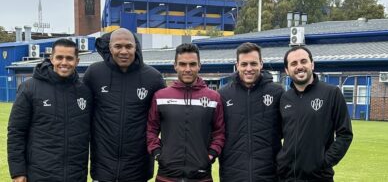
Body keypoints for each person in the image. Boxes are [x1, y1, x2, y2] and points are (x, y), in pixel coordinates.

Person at [83, 28, 165, 182]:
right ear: (110, 47)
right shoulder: (94, 73)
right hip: (102, 170)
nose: (123, 51)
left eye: (128, 46)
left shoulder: (153, 78)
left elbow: (164, 120)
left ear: (136, 47)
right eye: (118, 46)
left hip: (138, 170)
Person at [7, 39, 93, 182]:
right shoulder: (30, 88)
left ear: (77, 61)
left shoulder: (84, 92)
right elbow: (16, 132)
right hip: (40, 175)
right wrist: (18, 172)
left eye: (69, 58)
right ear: (51, 59)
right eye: (59, 57)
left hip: (76, 175)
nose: (64, 62)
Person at [147, 43, 225, 182]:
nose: (187, 69)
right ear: (175, 65)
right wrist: (158, 154)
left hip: (201, 176)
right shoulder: (160, 96)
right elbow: (151, 129)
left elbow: (219, 132)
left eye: (192, 64)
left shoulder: (213, 98)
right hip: (167, 175)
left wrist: (210, 155)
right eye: (182, 64)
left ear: (199, 65)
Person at [277, 46, 353, 181]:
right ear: (287, 70)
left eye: (303, 61)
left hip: (319, 177)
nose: (299, 66)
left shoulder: (331, 93)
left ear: (312, 64)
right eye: (293, 63)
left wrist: (324, 162)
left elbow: (345, 134)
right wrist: (281, 161)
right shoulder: (284, 98)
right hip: (286, 177)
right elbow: (277, 134)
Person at [218, 42, 285, 181]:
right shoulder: (223, 95)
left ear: (261, 63)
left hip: (269, 175)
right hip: (233, 175)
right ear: (237, 65)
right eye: (244, 64)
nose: (249, 68)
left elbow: (289, 131)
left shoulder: (277, 92)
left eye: (253, 63)